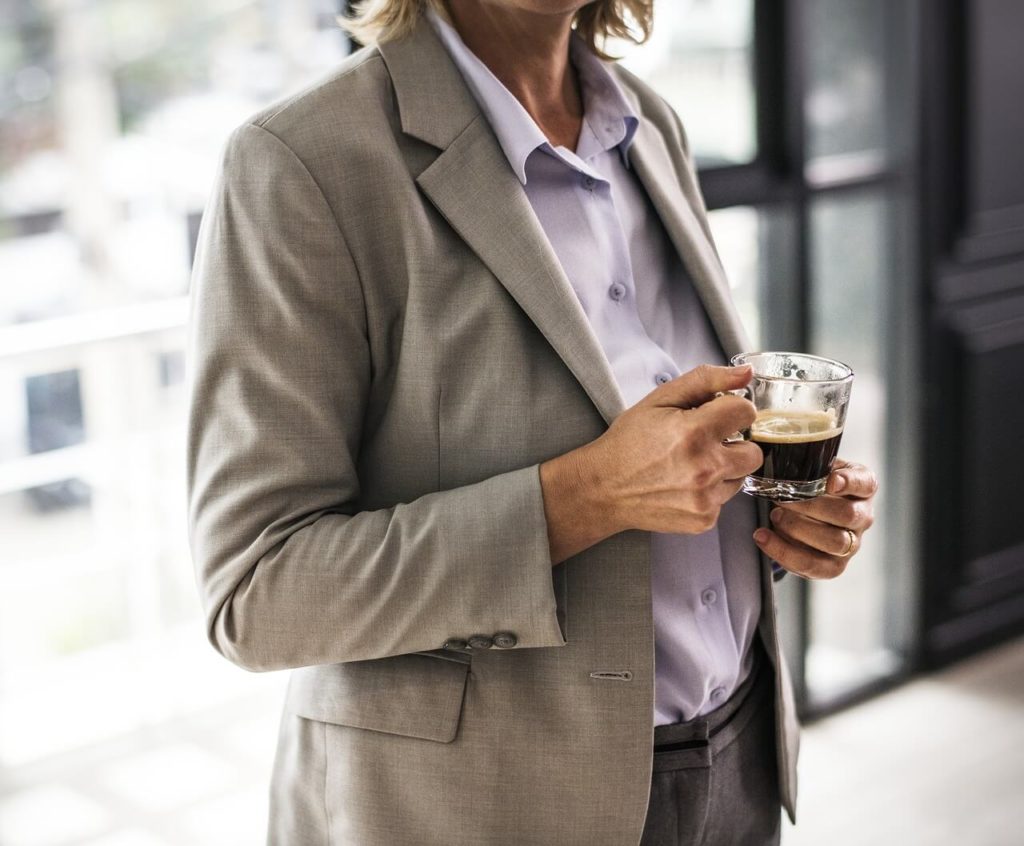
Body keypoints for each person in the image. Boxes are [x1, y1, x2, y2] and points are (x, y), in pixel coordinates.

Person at [186, 1, 878, 843]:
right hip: (484, 807)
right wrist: (582, 496)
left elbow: (673, 456)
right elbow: (256, 595)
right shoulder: (304, 160)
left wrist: (780, 517)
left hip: (737, 760)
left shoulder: (648, 122)